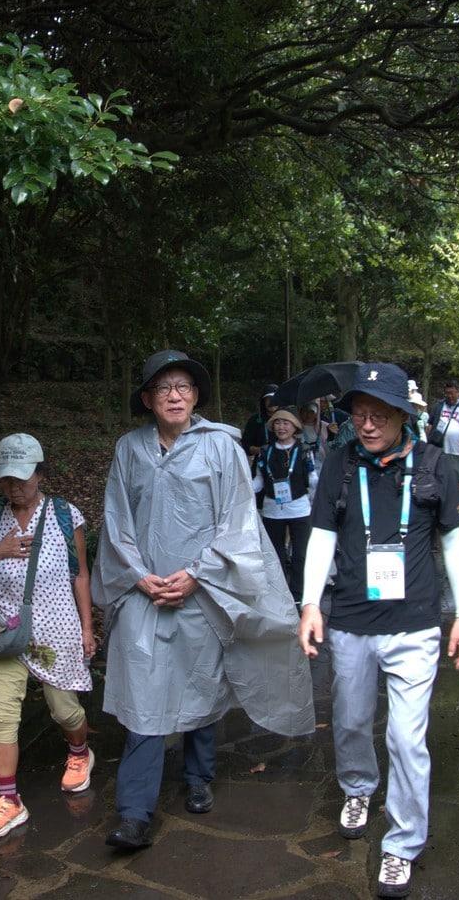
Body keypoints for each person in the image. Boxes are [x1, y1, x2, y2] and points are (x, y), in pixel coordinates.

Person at [95, 350, 315, 849]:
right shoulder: (129, 449)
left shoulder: (222, 448)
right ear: (148, 399)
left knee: (200, 684)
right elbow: (116, 520)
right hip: (143, 591)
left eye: (184, 387)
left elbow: (237, 523)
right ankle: (134, 813)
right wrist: (139, 576)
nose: (175, 395)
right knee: (144, 695)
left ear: (196, 396)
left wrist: (196, 575)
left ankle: (198, 776)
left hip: (203, 590)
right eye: (163, 388)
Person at [296, 363, 459, 898]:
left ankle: (402, 843)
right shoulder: (340, 464)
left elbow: (454, 541)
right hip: (350, 621)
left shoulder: (436, 467)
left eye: (378, 416)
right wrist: (310, 603)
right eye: (359, 415)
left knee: (405, 738)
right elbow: (322, 535)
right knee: (350, 722)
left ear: (402, 416)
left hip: (415, 625)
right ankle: (357, 787)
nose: (366, 425)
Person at [0, 433, 97, 838]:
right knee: (1, 716)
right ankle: (9, 801)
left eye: (23, 478)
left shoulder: (64, 514)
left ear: (40, 474)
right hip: (6, 630)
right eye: (7, 479)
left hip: (56, 629)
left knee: (64, 711)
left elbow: (79, 573)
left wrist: (87, 627)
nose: (15, 487)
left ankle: (80, 752)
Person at [253, 409, 320, 602]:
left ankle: (299, 596)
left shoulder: (304, 450)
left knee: (300, 555)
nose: (281, 427)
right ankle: (280, 596)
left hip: (299, 508)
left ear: (295, 427)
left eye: (286, 423)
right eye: (277, 423)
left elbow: (312, 478)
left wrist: (323, 493)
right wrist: (242, 487)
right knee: (275, 556)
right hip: (272, 509)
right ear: (272, 426)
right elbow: (259, 481)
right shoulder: (265, 451)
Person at [428, 380, 459, 483]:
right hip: (441, 448)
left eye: (452, 393)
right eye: (447, 393)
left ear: (458, 393)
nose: (449, 396)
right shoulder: (438, 406)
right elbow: (430, 424)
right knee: (441, 476)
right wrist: (428, 441)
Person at [241, 383, 280, 459]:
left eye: (274, 398)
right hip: (261, 463)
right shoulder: (255, 420)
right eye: (268, 399)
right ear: (263, 401)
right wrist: (259, 450)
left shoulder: (287, 419)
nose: (272, 402)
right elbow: (246, 445)